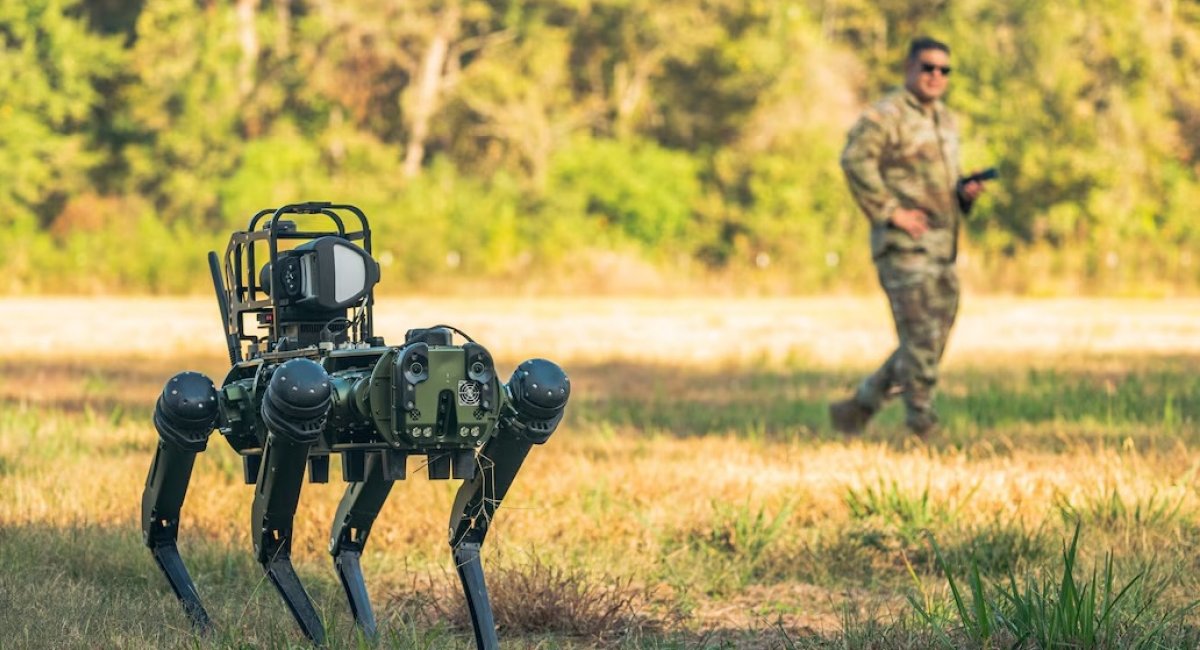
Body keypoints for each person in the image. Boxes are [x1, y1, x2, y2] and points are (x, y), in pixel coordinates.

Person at [829, 37, 988, 436]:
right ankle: (922, 425)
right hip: (903, 247)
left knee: (931, 338)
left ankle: (861, 403)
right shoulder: (886, 115)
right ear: (910, 69)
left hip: (942, 247)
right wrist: (890, 212)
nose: (936, 76)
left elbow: (940, 184)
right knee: (919, 338)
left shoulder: (946, 121)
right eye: (928, 67)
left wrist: (963, 195)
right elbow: (854, 160)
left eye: (944, 70)